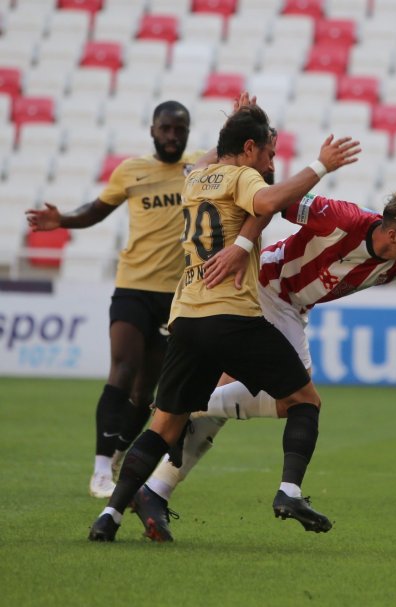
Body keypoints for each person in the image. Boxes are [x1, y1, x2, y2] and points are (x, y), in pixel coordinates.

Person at [88, 99, 361, 541]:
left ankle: (110, 516)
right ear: (249, 149)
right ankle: (289, 490)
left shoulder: (194, 177)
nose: (271, 163)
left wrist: (239, 122)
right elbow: (268, 200)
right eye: (268, 154)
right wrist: (321, 165)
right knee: (305, 400)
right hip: (231, 315)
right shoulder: (243, 177)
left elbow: (225, 159)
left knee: (164, 424)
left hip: (186, 317)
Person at [130, 189, 396, 541]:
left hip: (293, 308)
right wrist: (239, 247)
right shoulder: (341, 218)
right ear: (394, 235)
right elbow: (268, 201)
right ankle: (187, 406)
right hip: (264, 286)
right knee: (298, 400)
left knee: (228, 405)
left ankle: (156, 488)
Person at [26, 101, 202, 499]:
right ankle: (101, 468)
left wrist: (238, 117)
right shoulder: (131, 171)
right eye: (166, 128)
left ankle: (121, 451)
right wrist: (63, 221)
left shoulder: (197, 169)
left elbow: (229, 154)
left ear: (188, 132)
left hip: (175, 297)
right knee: (122, 370)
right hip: (133, 286)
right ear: (153, 130)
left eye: (180, 129)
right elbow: (97, 210)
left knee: (145, 394)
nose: (173, 136)